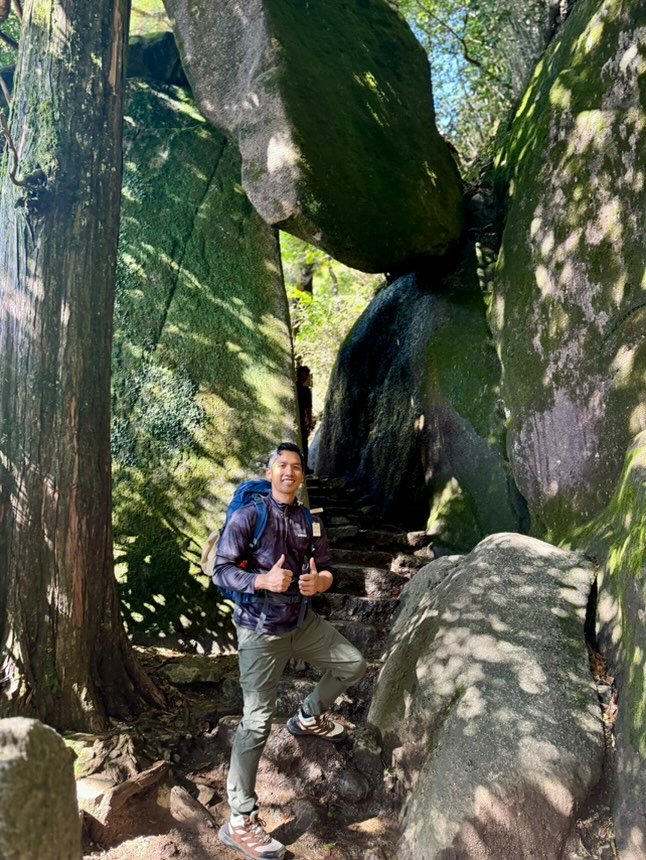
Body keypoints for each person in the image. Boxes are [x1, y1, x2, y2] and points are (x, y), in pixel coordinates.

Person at [214, 442, 367, 860]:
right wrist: (262, 581)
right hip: (260, 633)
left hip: (302, 624)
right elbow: (221, 571)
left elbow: (327, 565)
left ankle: (307, 716)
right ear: (269, 472)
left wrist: (322, 584)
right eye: (282, 465)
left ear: (302, 475)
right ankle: (239, 820)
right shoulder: (250, 515)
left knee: (353, 664)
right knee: (257, 722)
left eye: (296, 467)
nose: (289, 472)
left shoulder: (308, 520)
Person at [296, 366, 314, 473]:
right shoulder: (305, 391)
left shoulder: (297, 389)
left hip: (301, 420)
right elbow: (308, 409)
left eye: (305, 375)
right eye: (303, 375)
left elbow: (308, 409)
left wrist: (310, 422)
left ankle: (303, 467)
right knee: (303, 444)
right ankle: (303, 468)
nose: (304, 377)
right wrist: (310, 423)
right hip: (301, 421)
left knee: (303, 444)